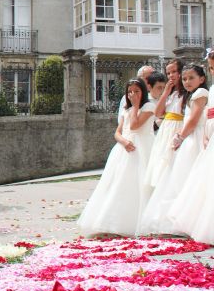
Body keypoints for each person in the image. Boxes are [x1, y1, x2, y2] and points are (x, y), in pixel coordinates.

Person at [77, 78, 156, 237]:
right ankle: (111, 221)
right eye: (130, 92)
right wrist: (124, 142)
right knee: (118, 183)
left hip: (142, 148)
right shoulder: (126, 110)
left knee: (139, 183)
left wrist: (135, 106)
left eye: (136, 91)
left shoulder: (149, 107)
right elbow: (118, 132)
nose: (133, 94)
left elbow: (135, 125)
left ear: (143, 92)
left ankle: (140, 222)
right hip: (124, 149)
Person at [139, 64, 208, 235]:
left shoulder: (196, 95)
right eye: (184, 78)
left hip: (189, 135)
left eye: (189, 77)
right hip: (176, 132)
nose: (186, 81)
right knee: (173, 174)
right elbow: (159, 112)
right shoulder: (177, 93)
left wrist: (180, 137)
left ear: (201, 78)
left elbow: (193, 120)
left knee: (186, 176)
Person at [175, 50, 214, 243]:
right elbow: (210, 116)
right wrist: (208, 135)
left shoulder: (202, 92)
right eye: (213, 68)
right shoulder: (212, 90)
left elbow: (198, 117)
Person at [143, 59, 185, 191]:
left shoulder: (187, 93)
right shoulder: (171, 94)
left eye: (174, 72)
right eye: (168, 73)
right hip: (166, 130)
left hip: (178, 127)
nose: (171, 75)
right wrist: (166, 92)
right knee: (161, 165)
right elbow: (158, 112)